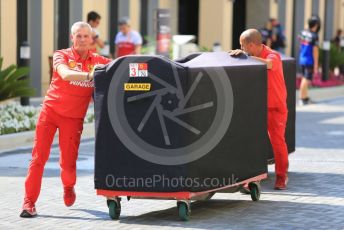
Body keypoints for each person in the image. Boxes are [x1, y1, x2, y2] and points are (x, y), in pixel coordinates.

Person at [20, 21, 111, 218]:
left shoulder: (99, 61)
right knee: (38, 159)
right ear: (72, 38)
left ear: (91, 39)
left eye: (86, 36)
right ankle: (28, 203)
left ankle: (68, 187)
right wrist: (90, 75)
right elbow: (65, 73)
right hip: (50, 114)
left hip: (73, 119)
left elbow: (119, 67)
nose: (82, 39)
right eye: (78, 36)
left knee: (68, 166)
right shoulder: (62, 55)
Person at [229, 29, 289, 190]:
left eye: (242, 45)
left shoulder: (272, 55)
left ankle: (282, 177)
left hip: (276, 108)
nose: (241, 48)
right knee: (253, 142)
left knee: (277, 143)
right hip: (257, 107)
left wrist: (246, 57)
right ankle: (252, 179)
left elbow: (269, 65)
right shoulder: (248, 56)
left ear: (251, 45)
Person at [298, 16, 320, 106]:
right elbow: (315, 51)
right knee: (306, 79)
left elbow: (300, 44)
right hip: (309, 60)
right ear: (316, 25)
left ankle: (305, 97)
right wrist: (316, 65)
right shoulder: (314, 36)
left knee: (304, 78)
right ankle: (301, 99)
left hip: (302, 58)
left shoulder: (302, 33)